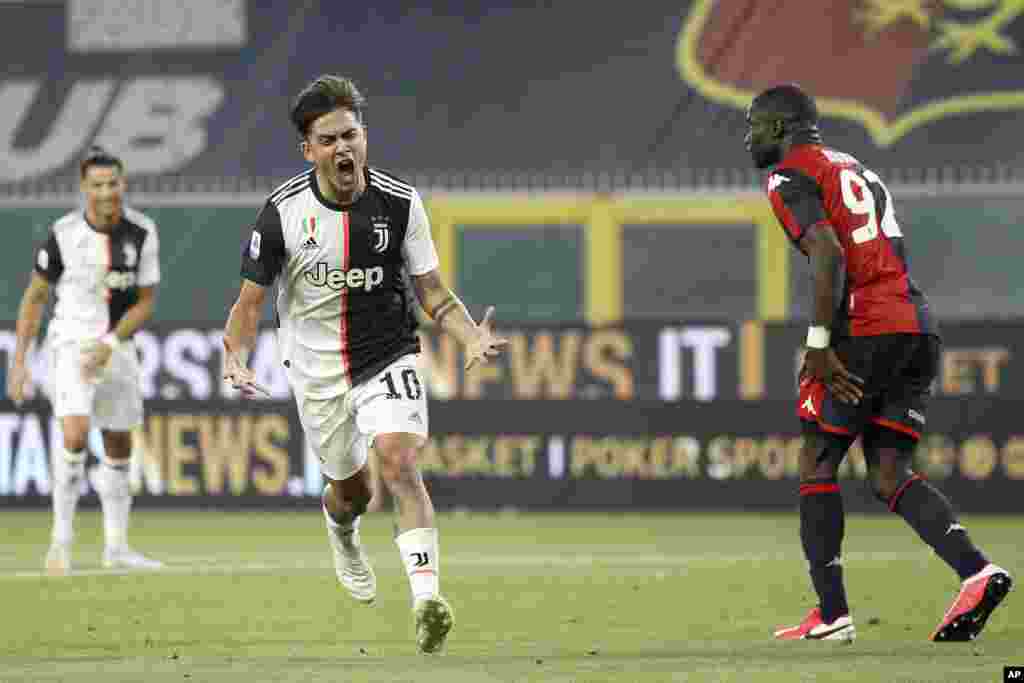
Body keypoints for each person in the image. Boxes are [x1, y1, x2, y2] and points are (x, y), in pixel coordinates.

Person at [221, 74, 506, 654]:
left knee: (400, 461)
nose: (343, 148)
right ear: (309, 150)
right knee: (351, 493)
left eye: (351, 134)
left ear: (365, 136)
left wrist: (467, 334)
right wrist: (236, 358)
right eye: (328, 140)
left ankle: (427, 599)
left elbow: (435, 295)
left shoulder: (401, 204)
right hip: (316, 370)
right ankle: (342, 531)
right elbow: (249, 304)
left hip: (387, 354)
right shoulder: (281, 214)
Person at [746, 84, 1012, 642]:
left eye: (754, 125)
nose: (749, 137)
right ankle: (976, 571)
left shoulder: (788, 175)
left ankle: (832, 612)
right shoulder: (856, 167)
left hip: (865, 330)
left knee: (818, 461)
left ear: (779, 128)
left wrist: (820, 343)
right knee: (888, 471)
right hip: (916, 325)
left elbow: (827, 252)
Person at [7, 146, 164, 575]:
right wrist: (19, 362)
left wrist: (111, 342)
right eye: (97, 185)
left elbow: (145, 302)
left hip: (117, 348)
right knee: (74, 434)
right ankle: (60, 542)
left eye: (113, 183)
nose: (107, 192)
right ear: (84, 188)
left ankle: (117, 548)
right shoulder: (63, 234)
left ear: (123, 183)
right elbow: (35, 298)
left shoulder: (142, 232)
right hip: (71, 342)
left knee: (118, 443)